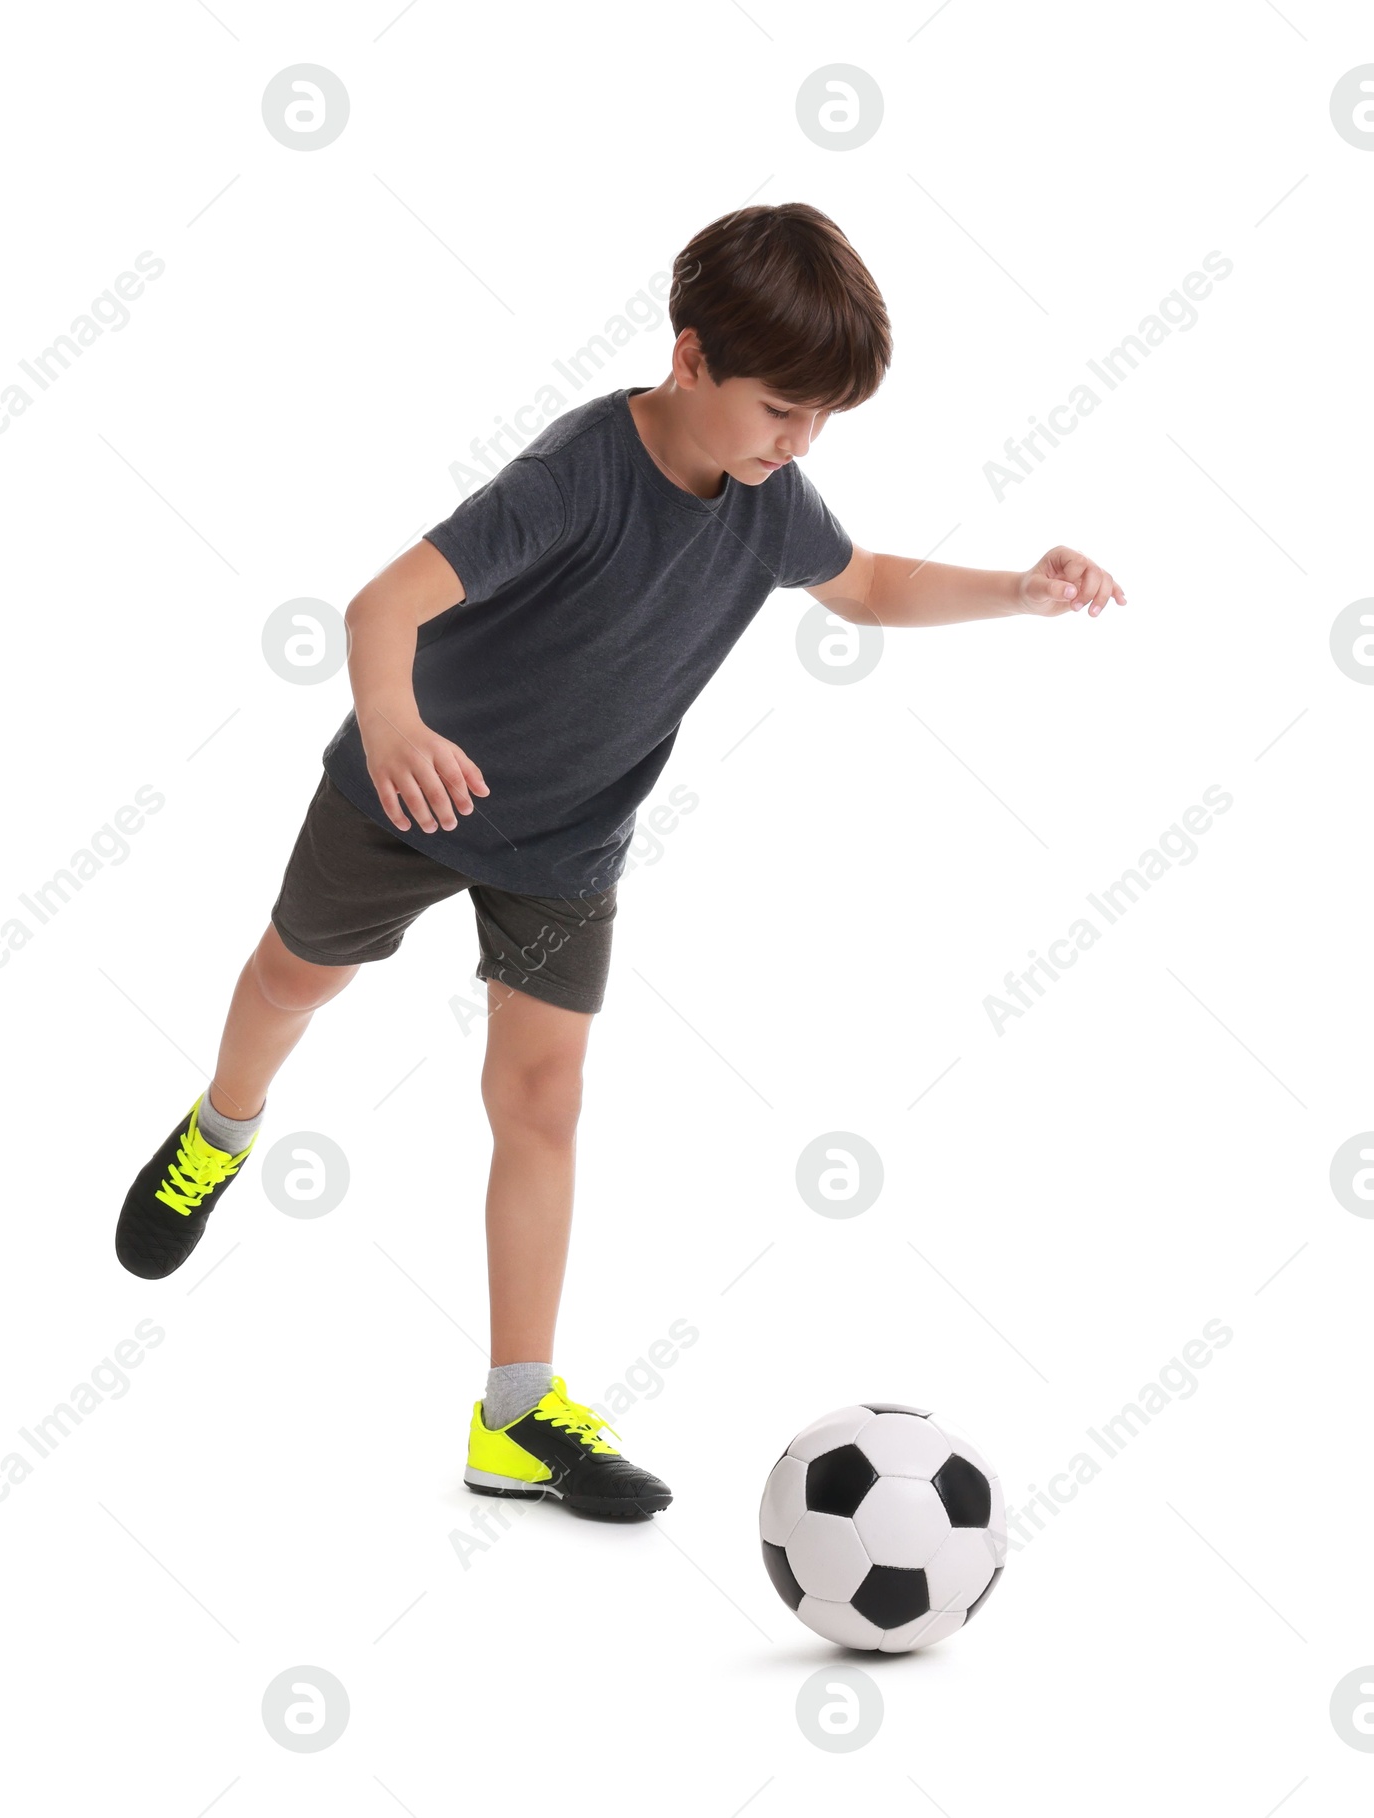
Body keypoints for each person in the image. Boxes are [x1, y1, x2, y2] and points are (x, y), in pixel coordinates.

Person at [114, 201, 1125, 1521]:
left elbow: (867, 582)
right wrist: (398, 721)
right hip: (406, 799)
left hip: (566, 839)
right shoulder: (579, 472)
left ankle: (518, 1414)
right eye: (780, 409)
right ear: (691, 356)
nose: (798, 443)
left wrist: (1019, 588)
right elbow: (381, 606)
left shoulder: (766, 499)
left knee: (541, 1098)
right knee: (295, 983)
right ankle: (220, 1127)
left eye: (822, 422)